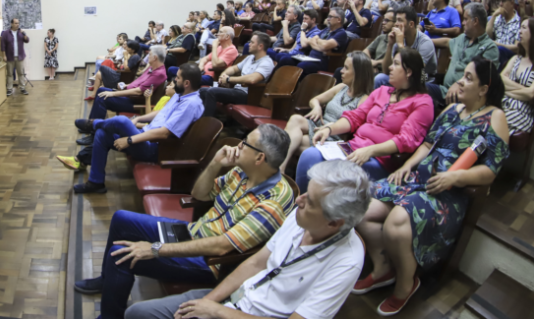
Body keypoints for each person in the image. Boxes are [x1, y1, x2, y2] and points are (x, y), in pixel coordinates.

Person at [80, 126, 295, 319]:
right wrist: (215, 163)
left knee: (119, 255)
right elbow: (198, 194)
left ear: (259, 158)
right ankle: (107, 280)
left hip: (210, 261)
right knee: (121, 219)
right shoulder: (242, 171)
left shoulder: (274, 201)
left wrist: (155, 249)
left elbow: (222, 246)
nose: (238, 146)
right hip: (192, 232)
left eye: (244, 143)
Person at [355, 58, 509, 316]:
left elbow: (491, 171)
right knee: (360, 206)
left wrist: (455, 178)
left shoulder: (495, 117)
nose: (460, 81)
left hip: (447, 193)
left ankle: (405, 284)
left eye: (469, 78)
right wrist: (407, 166)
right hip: (418, 180)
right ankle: (383, 269)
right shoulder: (452, 110)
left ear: (484, 89)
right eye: (463, 75)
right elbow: (427, 145)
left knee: (396, 223)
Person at [126, 160, 371, 319]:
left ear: (334, 222)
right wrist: (206, 303)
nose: (299, 200)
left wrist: (217, 311)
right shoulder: (301, 217)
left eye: (311, 202)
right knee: (137, 313)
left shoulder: (346, 261)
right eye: (306, 192)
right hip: (236, 298)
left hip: (245, 313)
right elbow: (256, 263)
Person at [303, 48, 435, 194]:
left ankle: (316, 205)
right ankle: (302, 204)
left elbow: (406, 140)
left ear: (409, 72)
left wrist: (370, 151)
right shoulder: (381, 91)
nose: (390, 67)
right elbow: (355, 117)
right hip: (353, 147)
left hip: (379, 159)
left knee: (328, 173)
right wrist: (329, 129)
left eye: (396, 64)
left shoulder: (423, 103)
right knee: (309, 155)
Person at [63, 63, 204, 194]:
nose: (174, 80)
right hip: (146, 134)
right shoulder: (181, 94)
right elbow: (162, 112)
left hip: (156, 148)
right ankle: (96, 183)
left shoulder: (191, 104)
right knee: (102, 134)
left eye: (178, 78)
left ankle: (93, 124)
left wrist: (130, 140)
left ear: (186, 83)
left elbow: (164, 133)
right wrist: (138, 119)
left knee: (122, 121)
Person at [283, 51, 374, 172]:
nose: (341, 71)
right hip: (319, 125)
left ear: (358, 73)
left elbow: (354, 127)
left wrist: (331, 127)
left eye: (346, 68)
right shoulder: (341, 87)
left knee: (292, 140)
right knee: (295, 119)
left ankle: (280, 168)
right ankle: (281, 169)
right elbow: (314, 100)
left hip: (332, 137)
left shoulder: (364, 99)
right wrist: (317, 107)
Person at [79, 46, 169, 144]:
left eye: (150, 54)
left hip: (135, 101)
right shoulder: (152, 67)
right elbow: (139, 82)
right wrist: (126, 85)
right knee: (101, 90)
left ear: (155, 57)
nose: (148, 56)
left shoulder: (159, 73)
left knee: (102, 98)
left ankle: (93, 134)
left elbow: (138, 91)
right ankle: (90, 125)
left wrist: (114, 94)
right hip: (130, 96)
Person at [428, 3, 499, 108]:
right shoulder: (462, 38)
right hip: (445, 90)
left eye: (466, 19)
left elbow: (483, 78)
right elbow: (447, 42)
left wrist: (459, 83)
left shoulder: (489, 47)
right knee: (419, 89)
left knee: (423, 96)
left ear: (475, 21)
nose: (463, 23)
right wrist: (425, 40)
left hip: (465, 96)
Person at [199, 33, 274, 117]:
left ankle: (206, 122)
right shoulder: (250, 58)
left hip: (248, 95)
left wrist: (228, 79)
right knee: (202, 91)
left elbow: (253, 79)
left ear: (260, 46)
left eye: (252, 42)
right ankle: (204, 118)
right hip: (237, 90)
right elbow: (234, 68)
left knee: (211, 92)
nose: (249, 44)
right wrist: (223, 75)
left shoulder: (267, 62)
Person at [374, 7, 437, 89]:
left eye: (400, 20)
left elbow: (414, 71)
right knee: (380, 78)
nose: (396, 24)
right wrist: (390, 44)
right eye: (396, 20)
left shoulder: (425, 42)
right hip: (402, 77)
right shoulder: (399, 39)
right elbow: (386, 71)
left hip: (423, 81)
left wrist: (400, 45)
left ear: (411, 24)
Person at [501, 18, 534, 134]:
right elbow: (500, 80)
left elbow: (531, 94)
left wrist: (506, 89)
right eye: (520, 27)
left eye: (524, 28)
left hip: (522, 112)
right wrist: (524, 90)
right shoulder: (515, 59)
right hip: (503, 103)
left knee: (494, 122)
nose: (520, 31)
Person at [298, 7, 349, 76]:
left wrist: (318, 41)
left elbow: (325, 46)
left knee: (301, 66)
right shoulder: (326, 30)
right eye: (328, 16)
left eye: (330, 17)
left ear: (339, 20)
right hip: (310, 58)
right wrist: (321, 47)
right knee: (289, 60)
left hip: (322, 62)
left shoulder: (341, 33)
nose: (328, 19)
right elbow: (312, 40)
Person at [486, 0, 521, 65]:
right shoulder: (498, 18)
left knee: (500, 50)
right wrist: (494, 15)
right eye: (499, 1)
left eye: (503, 1)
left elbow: (517, 48)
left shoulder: (519, 22)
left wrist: (499, 45)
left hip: (510, 55)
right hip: (495, 51)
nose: (501, 4)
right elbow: (488, 35)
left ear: (512, 3)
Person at [1, 18, 30, 96]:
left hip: (20, 57)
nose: (17, 25)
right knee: (9, 74)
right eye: (16, 23)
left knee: (21, 73)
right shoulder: (6, 33)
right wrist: (4, 55)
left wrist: (24, 34)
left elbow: (27, 40)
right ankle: (9, 89)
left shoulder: (20, 33)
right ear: (11, 24)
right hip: (10, 57)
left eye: (18, 23)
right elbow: (3, 45)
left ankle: (22, 88)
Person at [365, 10, 395, 74]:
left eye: (387, 20)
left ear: (395, 23)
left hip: (387, 72)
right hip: (373, 68)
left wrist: (376, 62)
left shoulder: (400, 41)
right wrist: (370, 63)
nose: (383, 23)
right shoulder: (381, 37)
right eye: (383, 20)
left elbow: (395, 61)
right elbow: (366, 51)